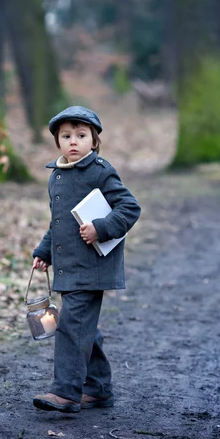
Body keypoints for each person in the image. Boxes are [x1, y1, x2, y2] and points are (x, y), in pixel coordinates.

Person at [32, 106, 141, 413]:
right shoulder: (56, 176)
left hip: (92, 266)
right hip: (68, 266)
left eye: (81, 135)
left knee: (71, 326)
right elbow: (58, 222)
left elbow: (130, 208)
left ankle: (66, 392)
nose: (73, 142)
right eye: (66, 136)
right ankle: (98, 389)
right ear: (58, 142)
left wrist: (100, 228)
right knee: (84, 328)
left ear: (94, 141)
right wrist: (44, 251)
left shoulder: (100, 171)